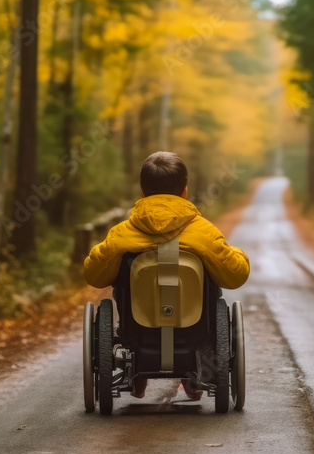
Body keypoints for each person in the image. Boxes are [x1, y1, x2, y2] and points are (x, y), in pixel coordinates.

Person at [84, 151, 250, 399]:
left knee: (123, 273)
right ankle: (198, 372)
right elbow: (235, 276)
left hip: (138, 330)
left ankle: (137, 372)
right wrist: (236, 252)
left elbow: (94, 276)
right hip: (195, 329)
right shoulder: (204, 232)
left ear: (142, 191)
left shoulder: (121, 234)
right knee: (209, 277)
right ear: (184, 190)